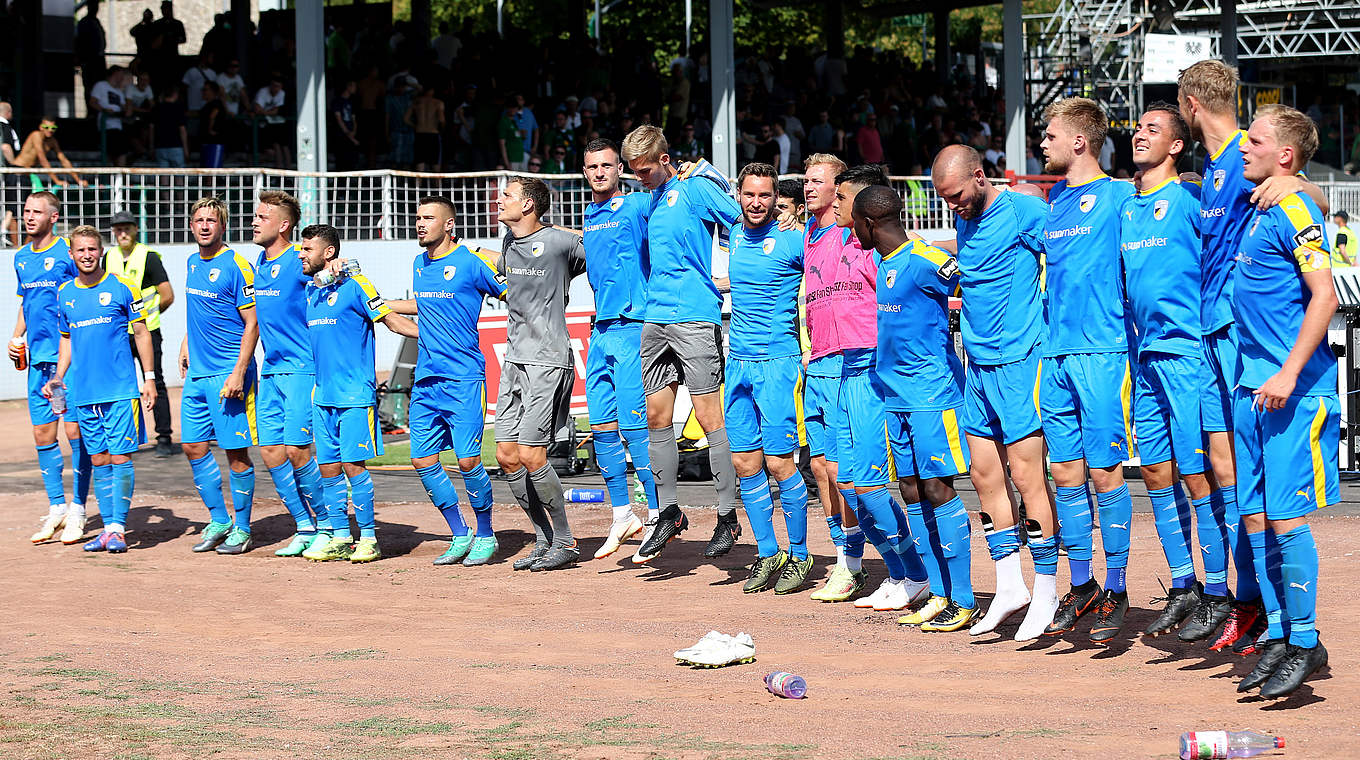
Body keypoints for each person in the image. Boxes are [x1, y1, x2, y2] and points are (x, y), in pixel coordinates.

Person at [1177, 59, 1330, 653]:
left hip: (1245, 344)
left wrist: (1300, 185)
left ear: (1191, 105)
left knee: (1242, 481)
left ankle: (1271, 617)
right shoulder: (1215, 170)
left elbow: (1306, 196)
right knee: (1229, 480)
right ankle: (1254, 608)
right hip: (1222, 344)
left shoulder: (1253, 154)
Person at [931, 145, 1059, 641]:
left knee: (1027, 477)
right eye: (945, 199)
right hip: (977, 367)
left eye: (957, 195)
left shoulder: (1025, 209)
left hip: (1021, 363)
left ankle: (1047, 588)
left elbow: (1066, 260)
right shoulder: (965, 219)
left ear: (980, 177)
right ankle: (1010, 586)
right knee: (984, 475)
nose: (953, 206)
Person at [1230, 104, 1337, 698]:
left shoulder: (1292, 203)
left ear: (1286, 156)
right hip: (1254, 389)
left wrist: (1289, 374)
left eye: (1257, 139)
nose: (1246, 146)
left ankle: (1305, 642)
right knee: (1255, 517)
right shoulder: (1263, 200)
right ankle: (1280, 632)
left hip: (1291, 392)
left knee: (1287, 521)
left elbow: (1323, 296)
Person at [1118, 104, 1225, 640]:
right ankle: (1183, 586)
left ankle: (1220, 592)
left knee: (1197, 472)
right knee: (1156, 472)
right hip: (1144, 358)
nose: (1139, 135)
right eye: (1138, 128)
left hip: (1187, 354)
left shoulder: (1189, 197)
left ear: (1178, 145)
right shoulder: (1125, 205)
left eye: (1152, 129)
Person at [1035, 98, 1137, 643]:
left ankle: (1119, 588)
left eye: (1050, 135)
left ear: (1080, 141)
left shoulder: (1122, 196)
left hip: (1104, 353)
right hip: (1055, 355)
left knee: (1105, 474)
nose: (1043, 143)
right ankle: (1084, 585)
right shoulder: (1053, 201)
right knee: (1066, 476)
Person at [852, 184, 976, 632]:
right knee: (910, 489)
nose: (854, 235)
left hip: (932, 396)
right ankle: (938, 593)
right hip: (896, 397)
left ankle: (963, 598)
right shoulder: (884, 263)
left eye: (855, 226)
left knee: (939, 489)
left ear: (869, 223)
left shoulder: (925, 260)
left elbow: (973, 284)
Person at [620, 125, 743, 562]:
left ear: (666, 160)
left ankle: (727, 515)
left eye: (647, 170)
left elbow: (741, 220)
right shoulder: (647, 200)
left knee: (710, 418)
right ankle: (669, 513)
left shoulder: (692, 189)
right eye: (635, 172)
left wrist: (737, 279)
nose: (642, 178)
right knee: (656, 417)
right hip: (654, 319)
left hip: (695, 315)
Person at [829, 165, 933, 613]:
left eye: (841, 197)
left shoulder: (879, 253)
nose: (834, 202)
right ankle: (900, 573)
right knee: (847, 486)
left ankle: (917, 573)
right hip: (840, 369)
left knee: (870, 487)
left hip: (876, 372)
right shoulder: (818, 241)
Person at [382, 197, 504, 566]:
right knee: (422, 460)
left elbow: (514, 295)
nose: (419, 223)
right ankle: (459, 533)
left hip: (464, 377)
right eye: (417, 217)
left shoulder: (470, 262)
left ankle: (486, 534)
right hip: (426, 380)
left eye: (428, 218)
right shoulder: (419, 264)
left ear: (449, 225)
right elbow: (426, 303)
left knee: (468, 462)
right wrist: (383, 304)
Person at [297, 224, 418, 563]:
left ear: (329, 252)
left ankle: (367, 537)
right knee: (328, 468)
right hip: (322, 396)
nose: (301, 254)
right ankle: (338, 535)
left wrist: (438, 339)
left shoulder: (356, 285)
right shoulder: (311, 290)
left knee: (353, 466)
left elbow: (392, 321)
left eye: (307, 249)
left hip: (354, 396)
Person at [722, 162, 811, 594]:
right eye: (749, 194)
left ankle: (799, 553)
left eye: (765, 195)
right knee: (744, 462)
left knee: (779, 463)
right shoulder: (735, 234)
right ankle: (767, 551)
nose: (756, 202)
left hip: (778, 363)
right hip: (736, 362)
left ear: (777, 198)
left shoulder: (795, 240)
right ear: (739, 195)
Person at [492, 177, 586, 571]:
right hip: (514, 360)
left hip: (549, 360)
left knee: (533, 453)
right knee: (507, 455)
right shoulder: (507, 245)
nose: (499, 200)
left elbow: (598, 249)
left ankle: (565, 541)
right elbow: (503, 284)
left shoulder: (561, 243)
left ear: (529, 205)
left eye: (508, 195)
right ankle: (544, 538)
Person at [46, 226, 157, 553]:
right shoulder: (65, 293)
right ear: (71, 253)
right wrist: (57, 376)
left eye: (92, 249)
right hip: (83, 393)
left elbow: (142, 333)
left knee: (120, 457)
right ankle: (108, 528)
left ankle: (118, 529)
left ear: (101, 251)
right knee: (99, 459)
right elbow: (66, 339)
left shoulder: (123, 287)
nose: (87, 255)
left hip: (121, 390)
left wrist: (148, 378)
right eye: (80, 250)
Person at [579, 139, 660, 561]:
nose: (599, 172)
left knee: (635, 429)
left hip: (634, 329)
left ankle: (658, 515)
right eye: (592, 166)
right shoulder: (588, 216)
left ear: (620, 169)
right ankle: (622, 514)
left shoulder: (638, 205)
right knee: (603, 429)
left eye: (607, 165)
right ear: (585, 170)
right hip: (600, 332)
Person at [798, 153, 867, 602]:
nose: (807, 187)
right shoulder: (804, 234)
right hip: (817, 361)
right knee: (821, 468)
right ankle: (843, 557)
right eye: (805, 180)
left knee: (846, 470)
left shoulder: (857, 231)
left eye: (817, 181)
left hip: (850, 361)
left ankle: (857, 562)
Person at [247, 192, 329, 558]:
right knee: (270, 452)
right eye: (255, 215)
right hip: (271, 372)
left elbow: (333, 276)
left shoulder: (300, 260)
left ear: (283, 225)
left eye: (263, 216)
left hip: (301, 370)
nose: (254, 221)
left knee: (298, 450)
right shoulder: (259, 263)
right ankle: (304, 524)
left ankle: (329, 525)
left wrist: (339, 269)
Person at [178, 197, 258, 555]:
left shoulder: (237, 264)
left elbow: (253, 322)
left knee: (235, 453)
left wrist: (239, 371)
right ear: (191, 225)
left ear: (223, 226)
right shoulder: (192, 262)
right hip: (198, 372)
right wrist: (184, 342)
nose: (205, 225)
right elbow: (198, 311)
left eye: (212, 220)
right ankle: (219, 518)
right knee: (192, 445)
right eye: (199, 220)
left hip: (229, 373)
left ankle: (242, 529)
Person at [12, 192, 91, 545]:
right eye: (26, 211)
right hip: (38, 362)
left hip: (69, 361)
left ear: (54, 217)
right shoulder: (22, 257)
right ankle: (56, 507)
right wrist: (16, 338)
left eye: (36, 212)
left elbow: (88, 290)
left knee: (75, 434)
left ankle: (78, 510)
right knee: (44, 436)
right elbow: (26, 304)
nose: (28, 217)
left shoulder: (66, 253)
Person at [105, 211, 175, 456]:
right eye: (118, 228)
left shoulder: (148, 257)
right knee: (123, 386)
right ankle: (128, 436)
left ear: (136, 229)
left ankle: (164, 437)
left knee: (155, 381)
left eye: (126, 228)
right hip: (118, 334)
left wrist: (148, 316)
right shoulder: (108, 257)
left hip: (147, 331)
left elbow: (167, 295)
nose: (122, 233)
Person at [13, 118, 87, 189]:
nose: (50, 130)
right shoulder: (36, 135)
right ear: (41, 127)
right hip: (17, 171)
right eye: (47, 127)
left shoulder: (53, 141)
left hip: (28, 174)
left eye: (53, 128)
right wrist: (56, 181)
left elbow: (64, 160)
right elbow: (42, 159)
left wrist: (78, 180)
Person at [88, 66, 129, 166]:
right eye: (121, 75)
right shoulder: (101, 85)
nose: (122, 78)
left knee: (121, 152)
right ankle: (109, 178)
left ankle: (118, 179)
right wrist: (104, 110)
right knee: (110, 153)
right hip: (106, 126)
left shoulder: (119, 91)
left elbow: (125, 108)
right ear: (115, 74)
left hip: (118, 126)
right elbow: (92, 102)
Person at [254, 75, 291, 168]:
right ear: (270, 85)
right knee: (275, 145)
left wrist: (265, 112)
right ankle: (279, 169)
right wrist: (268, 113)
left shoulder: (282, 93)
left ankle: (289, 169)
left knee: (284, 145)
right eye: (274, 85)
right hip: (263, 123)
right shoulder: (263, 92)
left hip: (278, 122)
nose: (275, 88)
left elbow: (276, 111)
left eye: (278, 86)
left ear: (281, 87)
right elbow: (257, 109)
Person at [149, 86, 189, 168]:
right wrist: (186, 149)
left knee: (164, 176)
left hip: (160, 146)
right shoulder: (178, 109)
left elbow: (151, 129)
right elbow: (182, 130)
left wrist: (151, 147)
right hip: (176, 146)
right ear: (175, 94)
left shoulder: (155, 109)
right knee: (179, 176)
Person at [407, 85, 444, 172]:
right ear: (432, 91)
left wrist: (415, 126)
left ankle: (418, 185)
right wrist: (441, 130)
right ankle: (437, 186)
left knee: (420, 164)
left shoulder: (416, 102)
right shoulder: (438, 103)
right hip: (433, 134)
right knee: (436, 166)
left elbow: (406, 119)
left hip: (420, 133)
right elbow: (442, 120)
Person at [1, 102, 21, 244]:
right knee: (11, 204)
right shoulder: (4, 127)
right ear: (8, 113)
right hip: (4, 172)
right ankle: (3, 231)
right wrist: (14, 166)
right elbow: (6, 147)